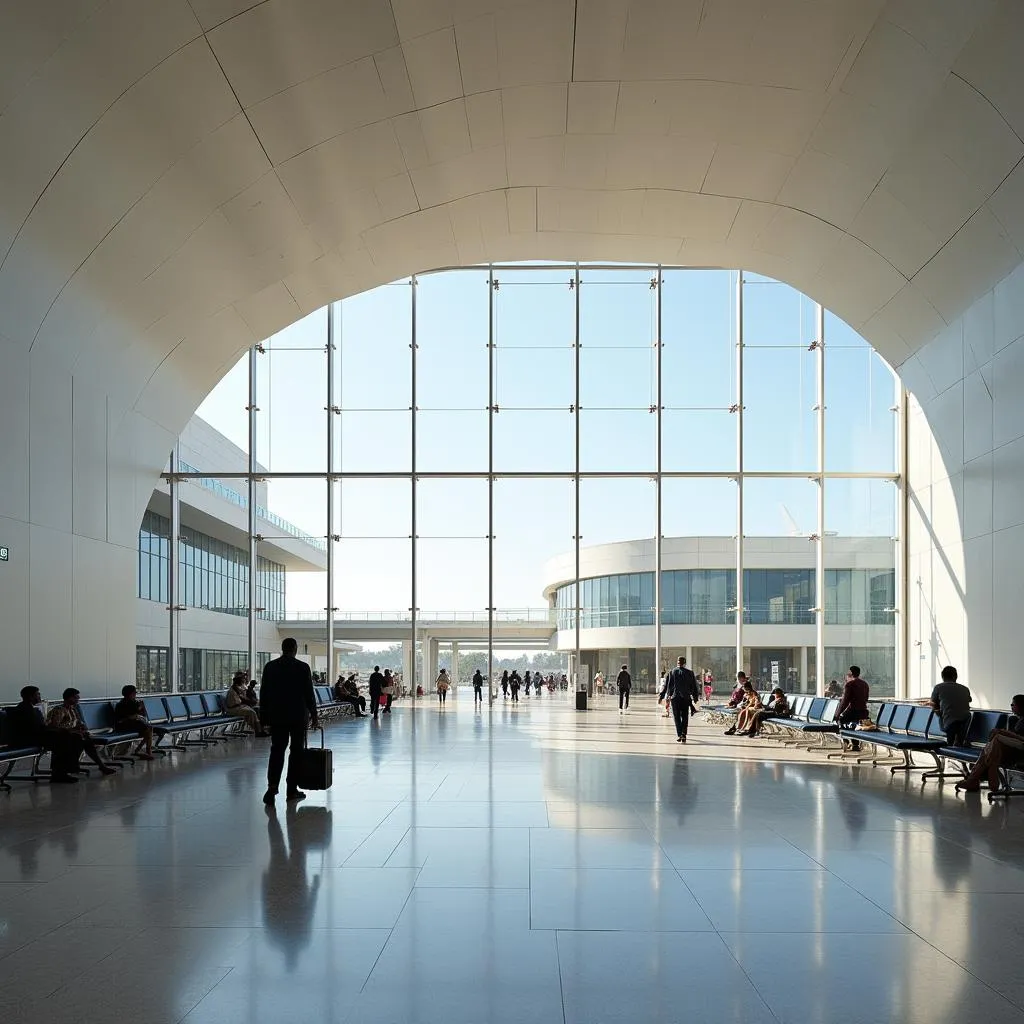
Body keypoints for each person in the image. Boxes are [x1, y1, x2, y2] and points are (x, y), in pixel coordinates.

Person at [260, 637, 318, 805]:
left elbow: (264, 693)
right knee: (296, 752)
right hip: (298, 716)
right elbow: (309, 693)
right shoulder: (302, 667)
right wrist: (314, 715)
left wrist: (264, 717)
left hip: (277, 716)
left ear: (282, 648)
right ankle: (291, 789)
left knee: (277, 750)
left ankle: (272, 787)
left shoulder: (270, 667)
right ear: (295, 649)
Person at [5, 686, 84, 784]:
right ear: (31, 697)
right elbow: (36, 729)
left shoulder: (30, 709)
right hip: (28, 740)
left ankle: (62, 771)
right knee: (64, 738)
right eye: (37, 694)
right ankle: (60, 772)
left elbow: (40, 727)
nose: (39, 696)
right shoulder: (25, 710)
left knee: (69, 737)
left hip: (33, 737)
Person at [957, 694, 1024, 792]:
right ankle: (991, 770)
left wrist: (1005, 733)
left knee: (996, 740)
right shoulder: (1019, 720)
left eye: (1013, 704)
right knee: (994, 744)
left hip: (1020, 749)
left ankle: (974, 779)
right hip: (1013, 748)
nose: (1011, 706)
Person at [46, 688, 117, 775]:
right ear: (69, 698)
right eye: (76, 698)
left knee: (87, 741)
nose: (78, 699)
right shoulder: (59, 710)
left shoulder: (73, 709)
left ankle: (101, 766)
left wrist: (81, 728)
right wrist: (72, 730)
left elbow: (77, 723)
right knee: (81, 740)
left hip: (71, 734)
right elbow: (54, 727)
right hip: (62, 736)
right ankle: (75, 767)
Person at [930, 665, 972, 746]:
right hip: (965, 723)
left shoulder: (938, 687)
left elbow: (933, 703)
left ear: (942, 677)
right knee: (958, 719)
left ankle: (951, 743)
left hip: (949, 723)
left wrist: (938, 711)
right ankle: (958, 741)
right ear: (955, 676)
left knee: (945, 716)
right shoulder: (965, 689)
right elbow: (969, 700)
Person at [112, 684, 156, 759]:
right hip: (123, 725)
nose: (135, 695)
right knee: (148, 729)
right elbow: (131, 715)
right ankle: (145, 750)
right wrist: (140, 707)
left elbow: (143, 714)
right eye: (134, 693)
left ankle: (141, 750)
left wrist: (141, 707)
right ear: (130, 694)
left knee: (148, 730)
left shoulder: (131, 702)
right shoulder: (123, 704)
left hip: (130, 724)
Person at [665, 656, 700, 743]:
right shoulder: (690, 673)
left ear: (677, 662)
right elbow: (694, 686)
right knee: (685, 716)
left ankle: (680, 734)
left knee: (676, 717)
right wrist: (695, 698)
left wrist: (668, 696)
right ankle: (684, 734)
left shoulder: (672, 672)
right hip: (686, 698)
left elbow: (669, 686)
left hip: (675, 698)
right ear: (685, 663)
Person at [838, 666, 871, 751]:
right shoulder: (865, 684)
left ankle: (846, 741)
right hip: (864, 712)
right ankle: (855, 744)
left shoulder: (849, 684)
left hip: (854, 711)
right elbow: (866, 699)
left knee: (841, 720)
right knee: (853, 724)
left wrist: (837, 714)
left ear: (851, 674)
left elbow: (845, 701)